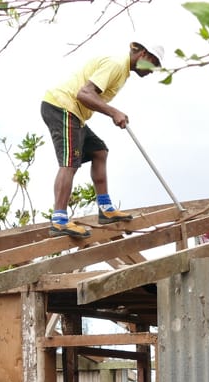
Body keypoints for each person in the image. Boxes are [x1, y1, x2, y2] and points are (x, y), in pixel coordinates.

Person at [40, 40, 164, 240]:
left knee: (99, 151)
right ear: (143, 55)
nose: (153, 71)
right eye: (154, 64)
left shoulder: (123, 71)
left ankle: (105, 209)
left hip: (75, 113)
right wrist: (113, 112)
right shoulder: (116, 64)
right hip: (63, 107)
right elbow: (84, 94)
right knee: (69, 162)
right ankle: (59, 220)